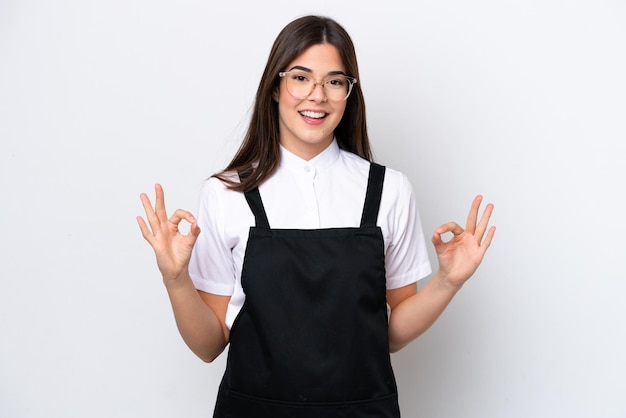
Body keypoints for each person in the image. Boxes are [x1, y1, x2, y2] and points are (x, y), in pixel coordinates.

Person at [137, 15, 495, 418]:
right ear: (275, 87)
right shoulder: (226, 193)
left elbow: (391, 334)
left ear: (349, 93)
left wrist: (448, 281)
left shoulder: (388, 190)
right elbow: (209, 345)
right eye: (301, 78)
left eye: (335, 81)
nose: (317, 95)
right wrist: (176, 278)